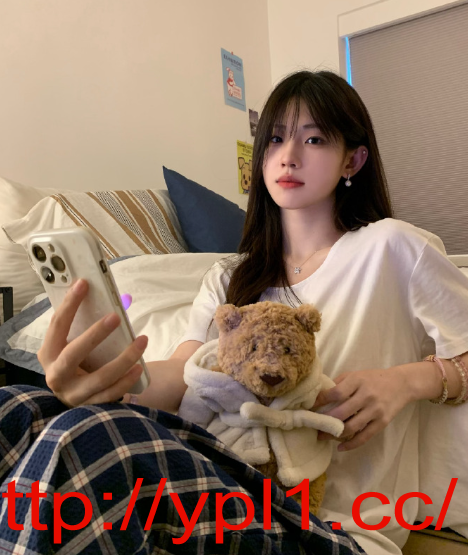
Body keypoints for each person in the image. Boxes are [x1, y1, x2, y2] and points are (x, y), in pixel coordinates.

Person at [3, 71, 468, 555]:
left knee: (85, 437)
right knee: (17, 409)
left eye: (313, 139)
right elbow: (184, 375)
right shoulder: (228, 277)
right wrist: (102, 377)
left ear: (353, 159)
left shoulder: (393, 247)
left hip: (333, 532)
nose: (288, 156)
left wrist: (408, 381)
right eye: (275, 139)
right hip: (224, 492)